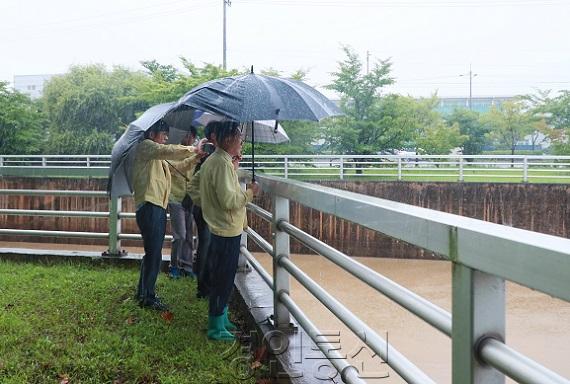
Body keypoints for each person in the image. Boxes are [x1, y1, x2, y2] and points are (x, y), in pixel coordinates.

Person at [133, 120, 204, 311]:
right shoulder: (146, 147)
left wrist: (196, 157)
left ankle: (143, 292)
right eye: (162, 133)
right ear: (151, 134)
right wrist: (193, 148)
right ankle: (148, 297)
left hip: (155, 207)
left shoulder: (157, 157)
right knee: (154, 254)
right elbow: (171, 151)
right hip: (150, 206)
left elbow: (179, 168)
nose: (165, 136)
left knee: (152, 253)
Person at [199, 121, 260, 341]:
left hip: (222, 228)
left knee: (223, 278)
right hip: (226, 229)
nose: (241, 142)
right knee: (222, 279)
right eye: (238, 138)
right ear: (227, 140)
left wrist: (232, 167)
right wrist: (250, 193)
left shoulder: (218, 161)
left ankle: (221, 318)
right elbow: (228, 200)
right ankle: (215, 327)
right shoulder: (221, 164)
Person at [188, 122, 218, 299]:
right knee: (205, 246)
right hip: (204, 208)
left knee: (205, 246)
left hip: (202, 206)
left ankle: (204, 285)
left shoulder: (209, 151)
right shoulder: (209, 152)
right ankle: (203, 287)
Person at [167, 126, 198, 279]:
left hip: (190, 199)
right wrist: (194, 157)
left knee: (189, 235)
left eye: (190, 135)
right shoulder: (175, 151)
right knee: (180, 234)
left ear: (193, 137)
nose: (188, 138)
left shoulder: (196, 152)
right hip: (176, 199)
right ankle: (174, 266)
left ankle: (187, 266)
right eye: (186, 135)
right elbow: (177, 168)